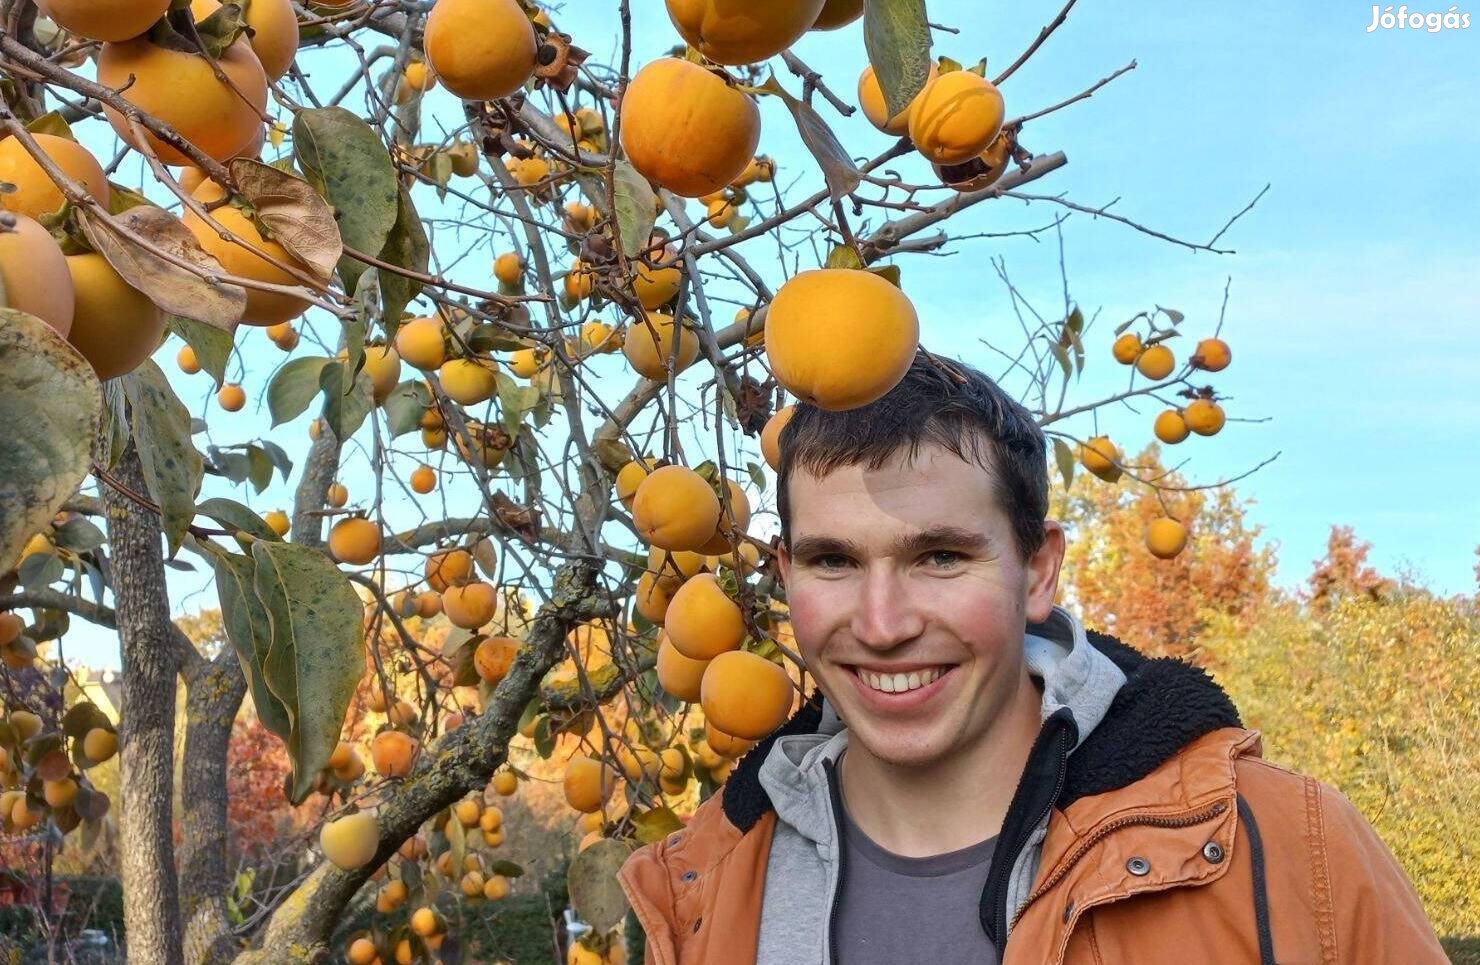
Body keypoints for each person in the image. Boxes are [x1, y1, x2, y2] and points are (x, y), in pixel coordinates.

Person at [617, 353, 1446, 964]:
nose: (882, 623)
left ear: (1039, 568)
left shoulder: (1286, 850)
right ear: (788, 576)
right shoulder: (705, 889)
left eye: (939, 556)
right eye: (834, 561)